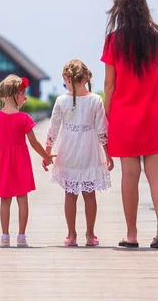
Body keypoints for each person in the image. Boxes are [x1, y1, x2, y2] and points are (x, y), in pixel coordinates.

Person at [100, 0, 158, 249]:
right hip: (154, 115)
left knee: (129, 175)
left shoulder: (114, 40)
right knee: (157, 174)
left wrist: (106, 116)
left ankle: (131, 235)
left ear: (119, 10)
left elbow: (109, 84)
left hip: (123, 116)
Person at [0, 74, 55, 248]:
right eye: (23, 94)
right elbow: (34, 142)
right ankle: (21, 236)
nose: (25, 98)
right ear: (16, 95)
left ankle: (4, 237)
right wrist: (46, 156)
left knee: (5, 200)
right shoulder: (24, 118)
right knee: (22, 198)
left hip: (2, 163)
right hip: (20, 162)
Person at [43, 59, 113, 247]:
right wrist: (108, 153)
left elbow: (53, 128)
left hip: (69, 151)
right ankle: (90, 235)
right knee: (90, 194)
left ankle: (71, 235)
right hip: (89, 151)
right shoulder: (95, 100)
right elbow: (101, 130)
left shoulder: (61, 101)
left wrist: (47, 152)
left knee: (70, 194)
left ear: (67, 77)